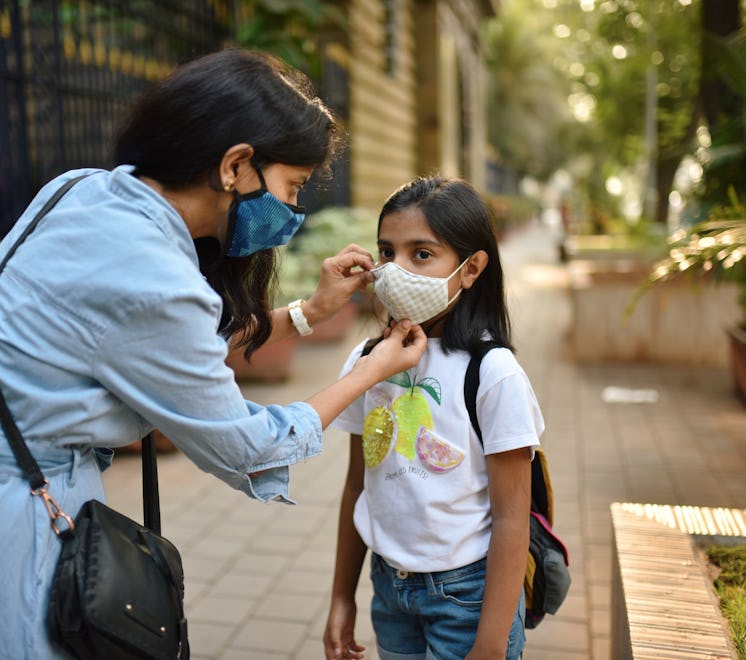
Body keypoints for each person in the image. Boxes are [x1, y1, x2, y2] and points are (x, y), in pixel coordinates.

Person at [0, 48, 426, 658]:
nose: (293, 211)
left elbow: (149, 352)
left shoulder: (79, 191)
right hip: (25, 511)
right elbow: (250, 448)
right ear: (235, 166)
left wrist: (310, 312)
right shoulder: (158, 279)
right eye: (293, 187)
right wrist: (369, 371)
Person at [323, 177, 545, 660]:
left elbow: (511, 520)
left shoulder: (493, 374)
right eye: (387, 251)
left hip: (468, 599)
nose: (397, 269)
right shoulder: (367, 362)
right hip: (390, 591)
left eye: (421, 254)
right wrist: (342, 597)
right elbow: (356, 487)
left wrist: (489, 641)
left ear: (472, 269)